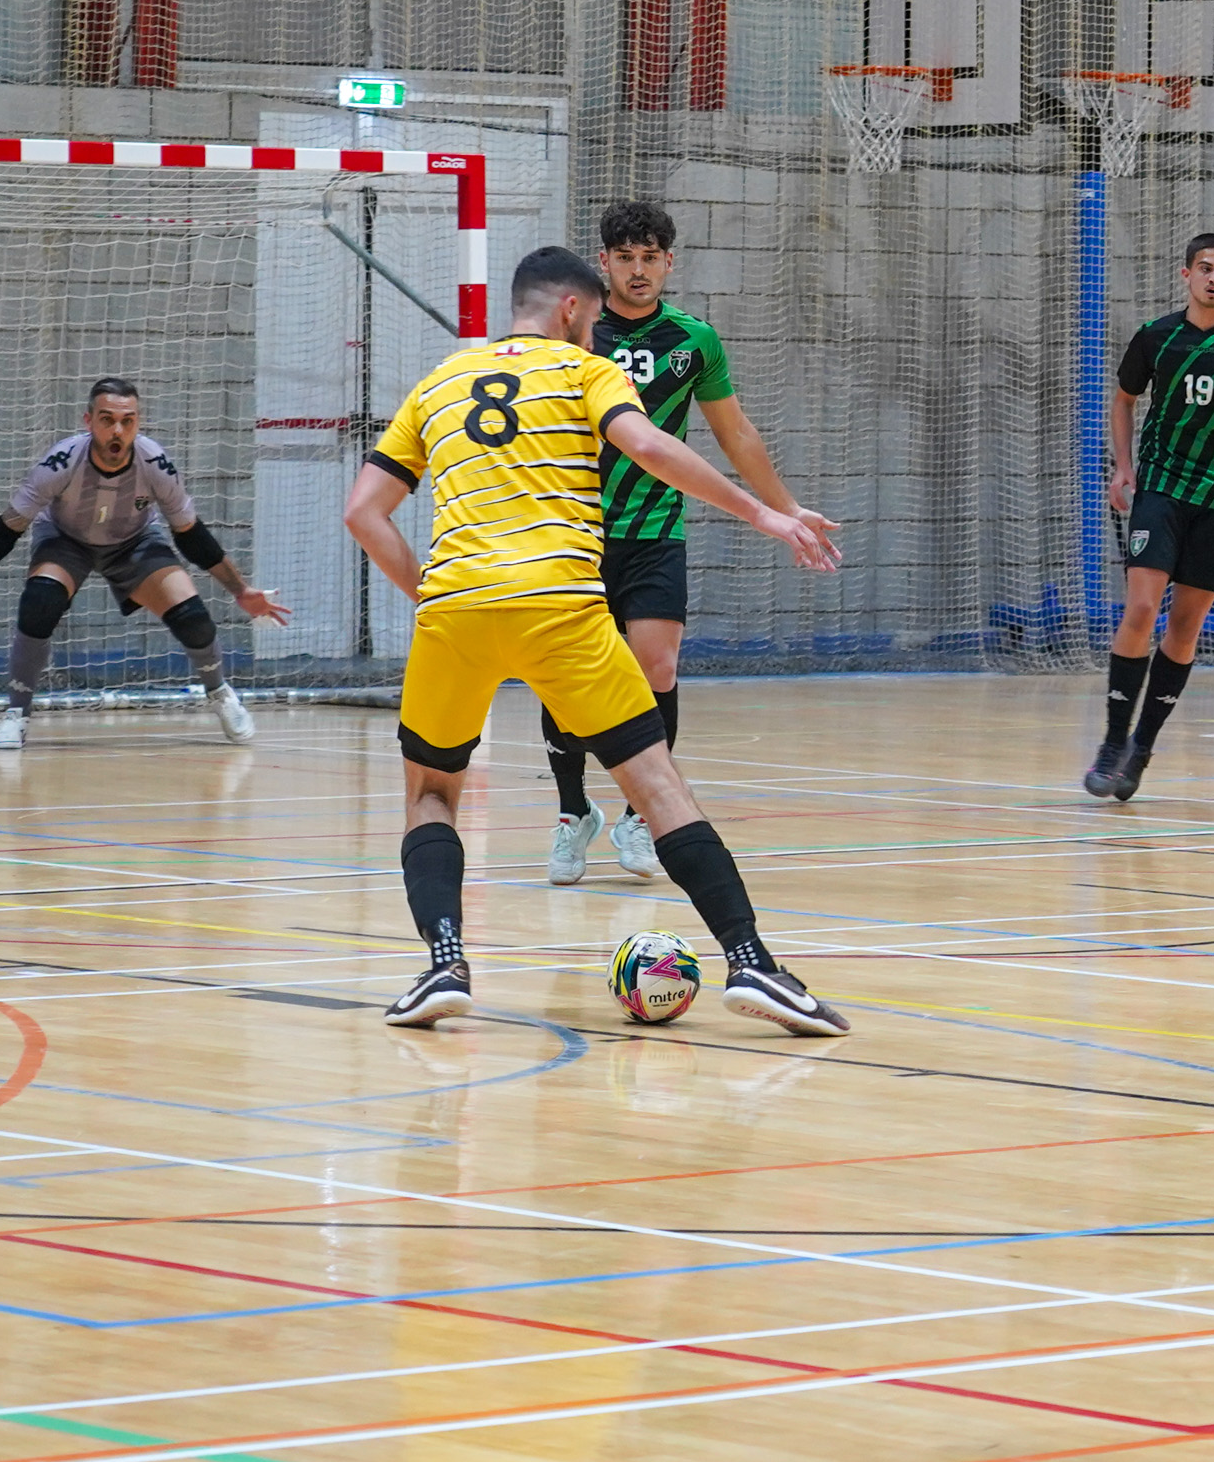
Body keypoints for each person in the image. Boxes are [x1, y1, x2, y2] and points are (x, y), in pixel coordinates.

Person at [342, 244, 851, 1035]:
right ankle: (752, 962)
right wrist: (765, 514)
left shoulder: (439, 380)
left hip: (458, 611)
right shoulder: (587, 370)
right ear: (574, 309)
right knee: (657, 788)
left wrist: (435, 596)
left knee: (432, 793)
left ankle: (444, 963)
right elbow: (646, 447)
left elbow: (363, 513)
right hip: (561, 606)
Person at [539, 201, 839, 884]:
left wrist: (786, 507)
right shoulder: (577, 333)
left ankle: (639, 815)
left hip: (655, 532)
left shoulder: (693, 340)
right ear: (604, 262)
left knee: (659, 668)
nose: (638, 270)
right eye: (625, 258)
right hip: (576, 530)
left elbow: (736, 433)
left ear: (669, 263)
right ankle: (571, 811)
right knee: (564, 674)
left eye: (650, 258)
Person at [0, 377, 290, 748]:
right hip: (66, 541)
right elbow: (5, 531)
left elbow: (191, 534)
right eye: (107, 420)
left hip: (134, 542)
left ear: (138, 422)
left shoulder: (155, 464)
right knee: (40, 601)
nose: (118, 431)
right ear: (89, 421)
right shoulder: (61, 462)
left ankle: (220, 693)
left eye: (128, 421)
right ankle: (17, 713)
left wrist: (240, 590)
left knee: (193, 617)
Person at [1085, 234, 1214, 801]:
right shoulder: (1156, 336)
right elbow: (1124, 400)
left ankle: (1141, 749)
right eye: (1205, 268)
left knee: (1184, 626)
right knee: (1141, 608)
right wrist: (1123, 468)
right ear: (1186, 275)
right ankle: (1112, 741)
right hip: (1160, 488)